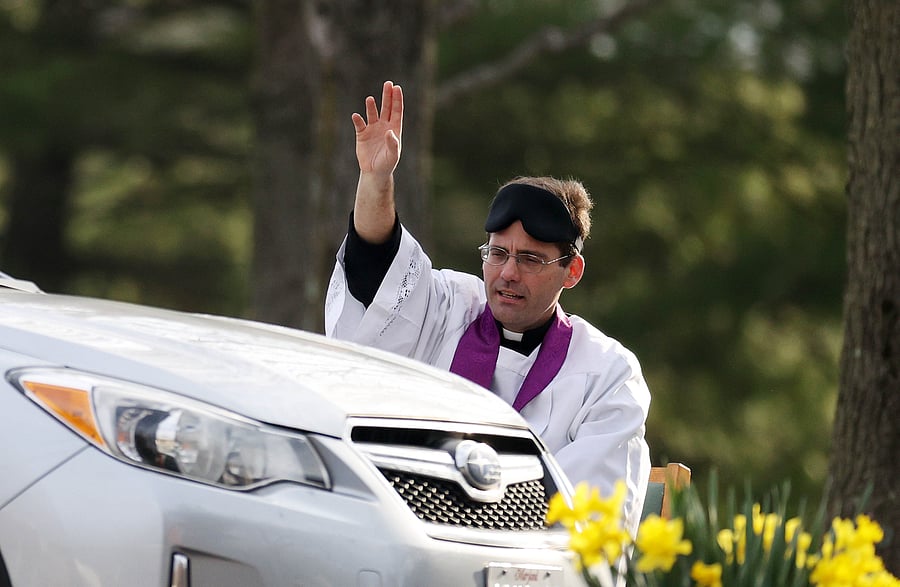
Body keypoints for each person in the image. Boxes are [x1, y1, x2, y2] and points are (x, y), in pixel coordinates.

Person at [325, 81, 651, 533]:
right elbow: (376, 267)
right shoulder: (447, 308)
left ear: (572, 272)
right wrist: (376, 182)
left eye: (531, 259)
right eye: (498, 254)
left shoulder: (606, 373)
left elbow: (590, 517)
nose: (508, 274)